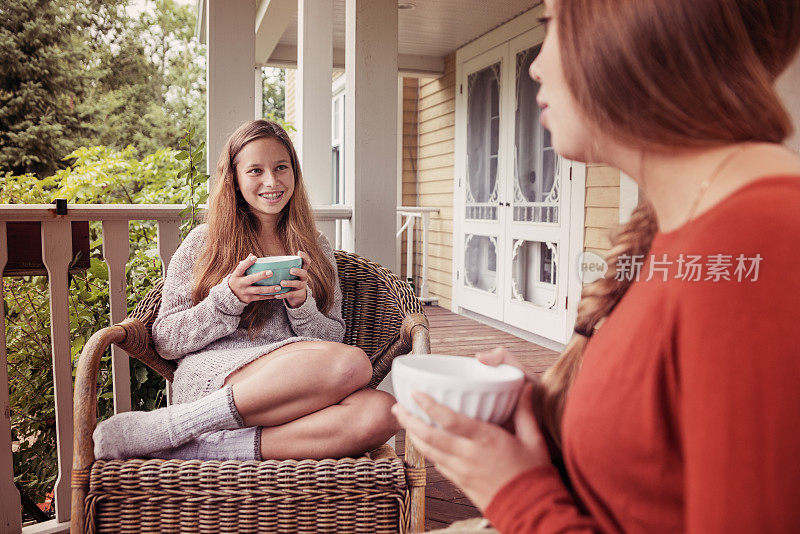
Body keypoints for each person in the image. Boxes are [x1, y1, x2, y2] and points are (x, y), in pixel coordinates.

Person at [393, 0, 800, 531]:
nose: (536, 65)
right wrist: (542, 407)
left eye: (552, 26)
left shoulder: (760, 243)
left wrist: (515, 495)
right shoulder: (695, 225)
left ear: (631, 24)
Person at [94, 120, 398, 461]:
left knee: (384, 411)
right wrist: (228, 300)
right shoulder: (203, 243)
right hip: (216, 376)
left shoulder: (317, 246)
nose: (272, 181)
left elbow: (332, 341)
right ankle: (178, 424)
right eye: (255, 170)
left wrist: (302, 306)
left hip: (298, 387)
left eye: (281, 167)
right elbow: (165, 339)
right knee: (355, 365)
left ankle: (205, 447)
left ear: (294, 173)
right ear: (235, 180)